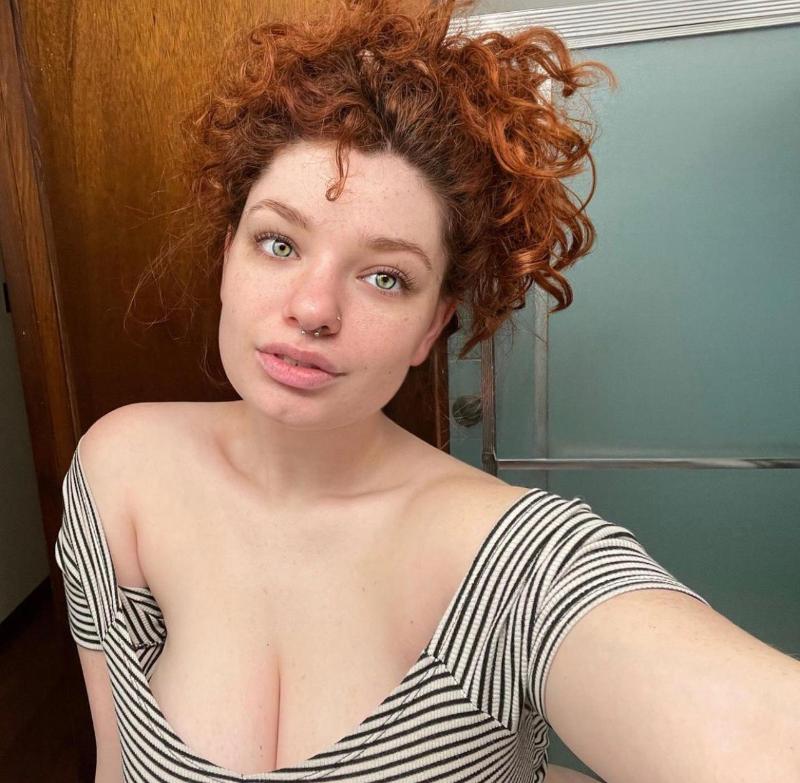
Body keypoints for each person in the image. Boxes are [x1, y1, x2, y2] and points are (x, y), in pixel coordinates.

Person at [54, 1, 800, 781]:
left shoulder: (513, 563)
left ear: (431, 326)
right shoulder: (121, 471)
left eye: (386, 276)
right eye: (278, 242)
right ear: (227, 259)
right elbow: (115, 761)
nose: (312, 308)